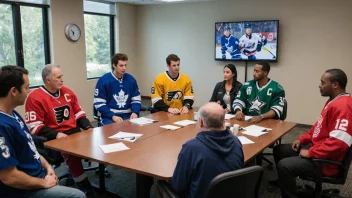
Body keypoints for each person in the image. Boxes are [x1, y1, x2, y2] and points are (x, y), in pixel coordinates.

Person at [0, 66, 86, 198]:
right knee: (78, 196)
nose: (29, 91)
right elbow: (9, 177)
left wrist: (48, 167)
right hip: (25, 189)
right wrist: (43, 183)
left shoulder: (13, 114)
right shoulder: (2, 125)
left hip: (40, 173)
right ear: (13, 91)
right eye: (26, 87)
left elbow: (30, 150)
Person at [272, 69, 352, 198]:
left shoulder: (343, 106)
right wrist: (302, 139)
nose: (319, 85)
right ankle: (285, 182)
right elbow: (318, 127)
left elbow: (339, 143)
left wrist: (310, 152)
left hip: (326, 161)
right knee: (279, 150)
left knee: (284, 166)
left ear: (335, 85)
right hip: (320, 148)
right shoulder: (334, 100)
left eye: (323, 82)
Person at [24, 65, 95, 195]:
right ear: (48, 80)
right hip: (53, 136)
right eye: (59, 77)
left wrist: (88, 126)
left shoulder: (68, 92)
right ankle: (84, 185)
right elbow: (33, 126)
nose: (62, 79)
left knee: (96, 141)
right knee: (72, 155)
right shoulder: (35, 97)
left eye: (62, 76)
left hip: (73, 132)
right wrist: (56, 134)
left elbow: (78, 113)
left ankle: (81, 174)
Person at [167, 102, 244, 198]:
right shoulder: (236, 142)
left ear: (201, 122)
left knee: (162, 185)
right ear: (223, 122)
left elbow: (178, 186)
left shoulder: (191, 148)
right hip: (230, 193)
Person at [94, 53, 141, 125]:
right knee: (112, 132)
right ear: (114, 65)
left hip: (128, 115)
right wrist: (112, 116)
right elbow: (99, 103)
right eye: (121, 65)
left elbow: (136, 100)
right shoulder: (103, 81)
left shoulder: (131, 80)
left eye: (125, 65)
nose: (124, 68)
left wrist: (135, 112)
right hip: (110, 116)